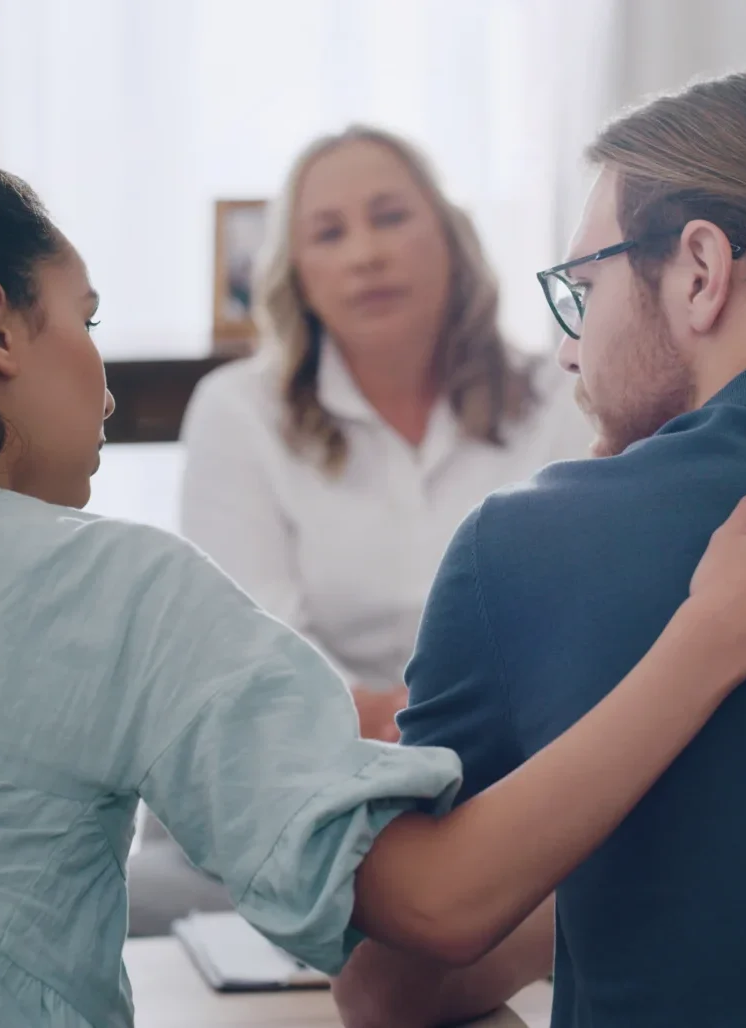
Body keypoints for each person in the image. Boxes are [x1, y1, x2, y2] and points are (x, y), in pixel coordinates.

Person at [0, 131, 746, 1028]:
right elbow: (433, 903)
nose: (109, 387)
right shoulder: (107, 586)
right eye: (88, 318)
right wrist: (711, 637)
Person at [332, 70, 746, 1028]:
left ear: (699, 270)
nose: (569, 351)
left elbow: (386, 989)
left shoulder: (524, 545)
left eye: (583, 288)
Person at [131, 125, 593, 935]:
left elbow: (580, 619)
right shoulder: (239, 411)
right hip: (300, 784)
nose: (365, 253)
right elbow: (255, 645)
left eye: (390, 217)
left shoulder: (559, 394)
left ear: (451, 240)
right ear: (296, 274)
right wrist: (407, 727)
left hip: (512, 785)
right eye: (329, 233)